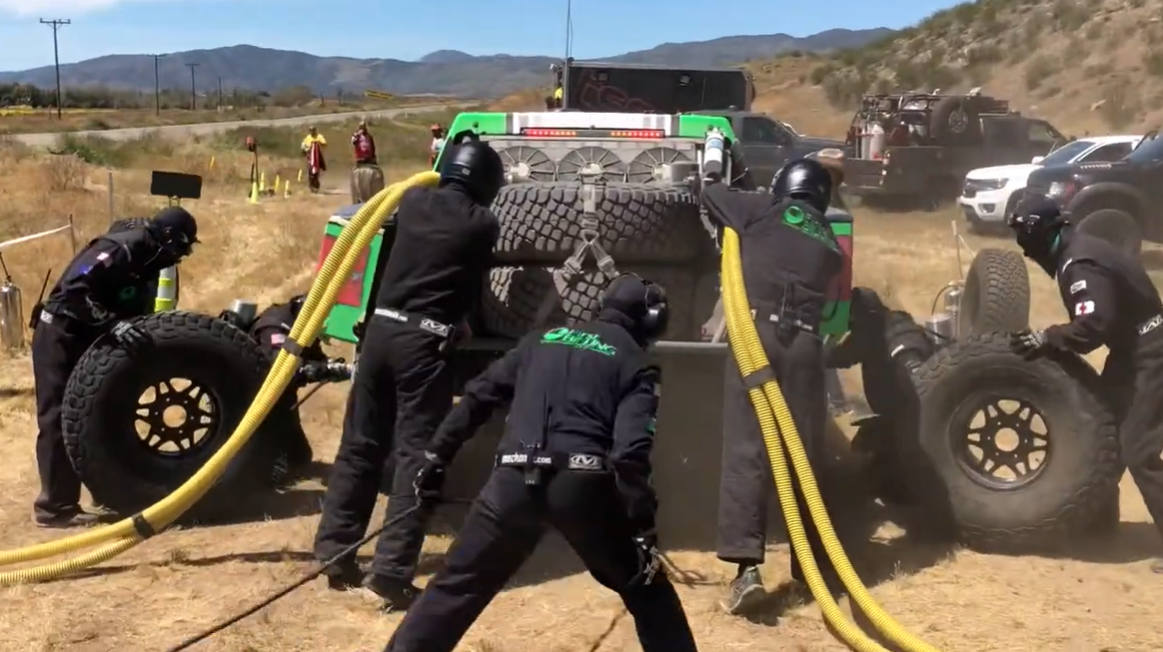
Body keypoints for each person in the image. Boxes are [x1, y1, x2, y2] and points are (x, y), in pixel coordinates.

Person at [382, 274, 698, 652]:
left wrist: (436, 458)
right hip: (581, 485)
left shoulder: (539, 341)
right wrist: (643, 525)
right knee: (649, 590)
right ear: (652, 321)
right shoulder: (637, 363)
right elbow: (629, 453)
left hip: (512, 480)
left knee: (457, 584)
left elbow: (477, 397)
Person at [313, 139, 505, 609]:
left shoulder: (413, 199)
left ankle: (336, 554)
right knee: (418, 460)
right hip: (424, 343)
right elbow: (472, 284)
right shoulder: (482, 223)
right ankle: (391, 574)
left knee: (360, 447)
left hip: (379, 333)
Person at [697, 157, 846, 614]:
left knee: (749, 450)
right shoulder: (830, 243)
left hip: (755, 335)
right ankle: (810, 568)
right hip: (805, 347)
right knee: (802, 455)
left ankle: (746, 572)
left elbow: (708, 195)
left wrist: (710, 171)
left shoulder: (762, 209)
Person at [1008, 193, 1163, 571]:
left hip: (1152, 350)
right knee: (1104, 429)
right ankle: (1097, 520)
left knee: (1138, 449)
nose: (1026, 253)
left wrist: (1049, 337)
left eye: (1026, 242)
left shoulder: (1080, 264)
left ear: (1041, 234)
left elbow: (1094, 326)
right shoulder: (1079, 249)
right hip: (1133, 349)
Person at [30, 207, 198, 527]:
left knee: (101, 412)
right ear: (164, 238)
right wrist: (113, 325)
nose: (181, 257)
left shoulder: (150, 261)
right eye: (179, 247)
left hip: (92, 335)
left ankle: (109, 491)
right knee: (57, 416)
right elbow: (74, 292)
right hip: (61, 332)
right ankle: (55, 508)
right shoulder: (120, 247)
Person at [220, 295, 352, 479]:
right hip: (255, 401)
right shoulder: (274, 326)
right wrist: (323, 370)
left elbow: (315, 358)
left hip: (279, 401)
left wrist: (337, 368)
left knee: (299, 458)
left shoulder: (304, 324)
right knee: (267, 467)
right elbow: (283, 370)